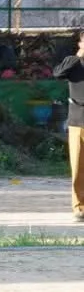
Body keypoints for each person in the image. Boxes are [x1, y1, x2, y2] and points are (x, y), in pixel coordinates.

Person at [54, 30, 84, 222]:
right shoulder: (73, 63)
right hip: (78, 120)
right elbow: (58, 73)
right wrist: (77, 56)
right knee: (78, 165)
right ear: (80, 43)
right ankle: (79, 207)